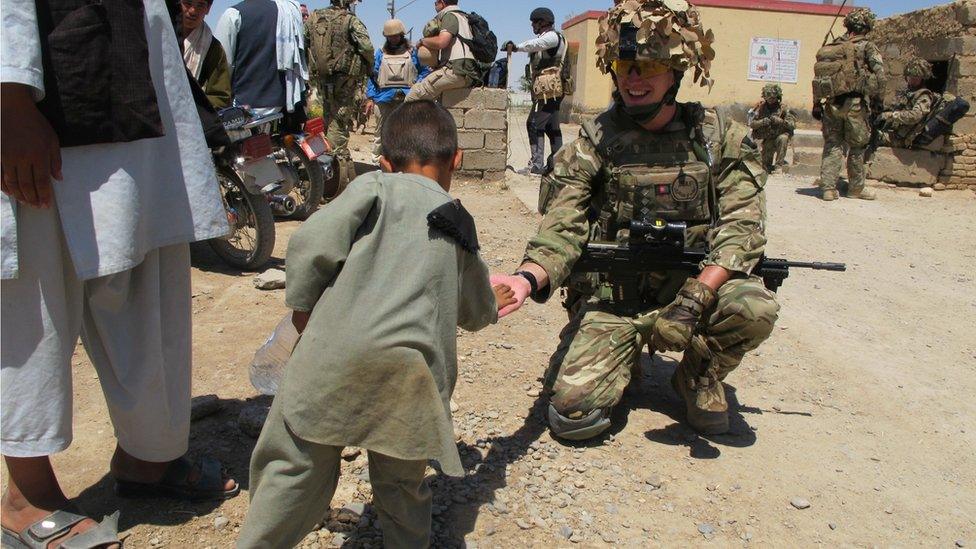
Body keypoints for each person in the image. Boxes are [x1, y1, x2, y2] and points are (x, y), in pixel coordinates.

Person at [1, 0, 239, 546]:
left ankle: (146, 457)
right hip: (43, 90)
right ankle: (26, 495)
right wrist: (9, 98)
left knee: (150, 286)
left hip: (134, 77)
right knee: (34, 298)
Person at [491, 0, 780, 441]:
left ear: (677, 72)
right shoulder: (595, 140)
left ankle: (698, 374)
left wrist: (698, 295)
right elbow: (562, 225)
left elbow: (743, 225)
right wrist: (528, 278)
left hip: (693, 292)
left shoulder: (718, 136)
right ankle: (614, 355)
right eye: (624, 67)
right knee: (572, 419)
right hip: (615, 297)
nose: (633, 79)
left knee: (753, 307)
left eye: (648, 66)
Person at [236, 100, 513, 548]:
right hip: (411, 376)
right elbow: (474, 307)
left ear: (384, 163)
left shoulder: (375, 189)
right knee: (402, 485)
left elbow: (309, 244)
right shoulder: (457, 219)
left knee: (293, 469)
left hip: (330, 361)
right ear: (456, 160)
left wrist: (304, 310)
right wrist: (493, 305)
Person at [812, 8, 885, 201]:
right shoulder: (867, 46)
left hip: (831, 104)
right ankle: (855, 189)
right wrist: (879, 102)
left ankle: (828, 189)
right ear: (867, 26)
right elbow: (881, 76)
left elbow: (819, 77)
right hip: (855, 104)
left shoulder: (833, 46)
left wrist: (816, 104)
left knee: (832, 145)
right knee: (857, 147)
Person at [306, 0, 374, 190]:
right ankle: (336, 180)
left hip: (319, 82)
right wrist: (369, 67)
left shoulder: (313, 18)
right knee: (339, 124)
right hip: (344, 83)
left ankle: (321, 174)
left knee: (324, 123)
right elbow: (367, 47)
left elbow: (304, 44)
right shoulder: (351, 21)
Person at [502, 7, 569, 176]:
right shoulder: (550, 37)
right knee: (551, 126)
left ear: (543, 23)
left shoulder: (552, 37)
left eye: (535, 22)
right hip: (549, 91)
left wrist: (516, 47)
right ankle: (556, 164)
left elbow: (536, 44)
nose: (532, 25)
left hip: (549, 91)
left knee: (534, 123)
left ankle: (537, 166)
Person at [214, 0, 307, 116]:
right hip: (285, 105)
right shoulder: (288, 11)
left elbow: (222, 66)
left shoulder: (233, 14)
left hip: (244, 108)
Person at [366, 19, 430, 162]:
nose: (393, 39)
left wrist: (416, 87)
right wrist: (370, 98)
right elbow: (372, 76)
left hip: (407, 99)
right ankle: (378, 163)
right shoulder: (380, 53)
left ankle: (406, 163)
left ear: (402, 35)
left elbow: (424, 72)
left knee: (408, 132)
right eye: (390, 36)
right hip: (383, 99)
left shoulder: (413, 52)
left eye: (396, 36)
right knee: (381, 133)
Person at [406, 0, 481, 102]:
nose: (434, 3)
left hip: (457, 71)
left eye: (436, 1)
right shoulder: (464, 17)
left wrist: (422, 41)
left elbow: (441, 42)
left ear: (442, 2)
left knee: (412, 97)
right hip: (468, 71)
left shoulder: (450, 16)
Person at [181, 0, 232, 109]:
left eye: (200, 5)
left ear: (208, 8)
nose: (193, 11)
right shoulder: (158, 35)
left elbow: (220, 97)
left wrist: (189, 104)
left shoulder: (213, 48)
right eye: (187, 3)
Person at [877, 57, 936, 148]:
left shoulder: (924, 96)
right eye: (910, 76)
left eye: (916, 77)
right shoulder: (906, 92)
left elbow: (915, 116)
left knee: (870, 137)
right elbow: (892, 107)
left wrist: (891, 115)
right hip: (892, 132)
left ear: (922, 78)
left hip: (902, 139)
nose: (912, 80)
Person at [749, 83, 797, 173]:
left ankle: (779, 166)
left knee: (783, 138)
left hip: (779, 137)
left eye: (773, 97)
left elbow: (792, 125)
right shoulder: (760, 108)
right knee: (765, 167)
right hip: (767, 140)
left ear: (778, 97)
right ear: (765, 96)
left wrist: (781, 121)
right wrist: (762, 122)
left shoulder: (784, 109)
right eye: (769, 97)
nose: (771, 99)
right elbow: (751, 123)